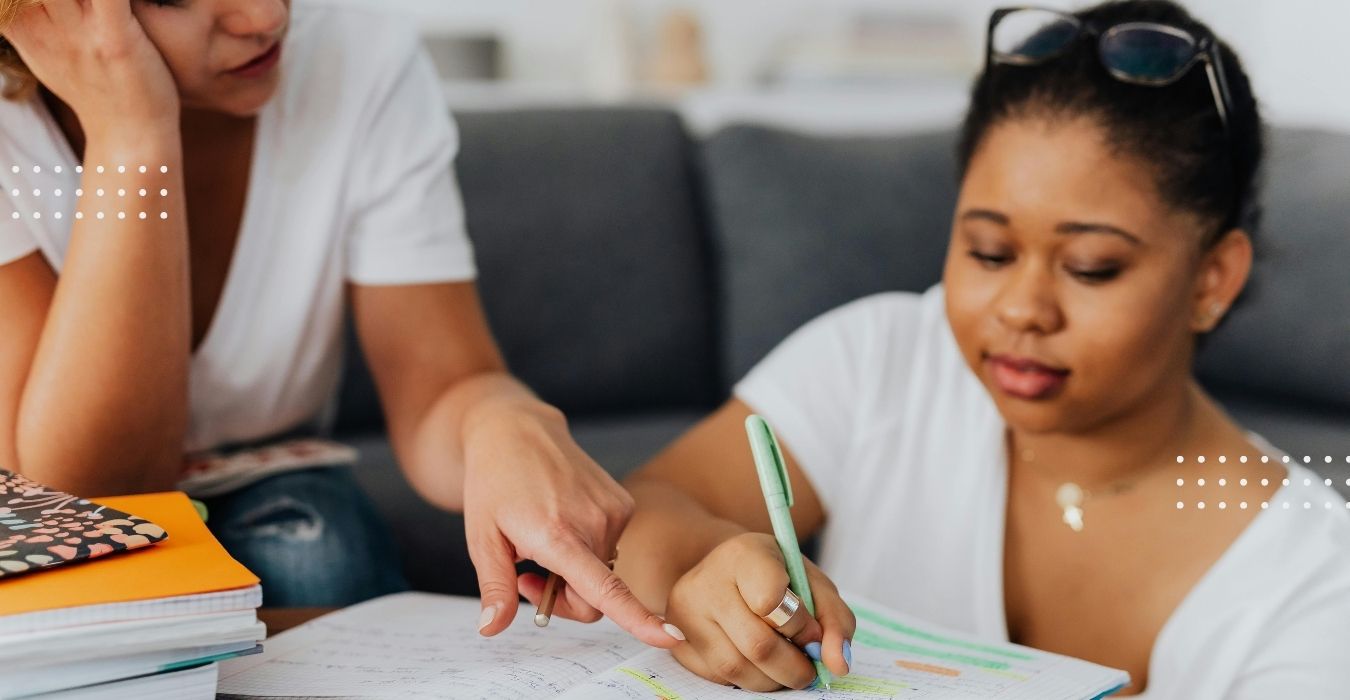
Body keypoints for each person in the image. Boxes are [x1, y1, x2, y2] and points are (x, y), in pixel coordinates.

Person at [598, 1, 1350, 696]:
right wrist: (714, 569)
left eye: (1091, 267)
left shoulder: (1313, 580)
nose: (1022, 309)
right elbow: (650, 514)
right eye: (990, 252)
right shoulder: (887, 361)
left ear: (1212, 280)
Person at [0, 0, 681, 647]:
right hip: (49, 506)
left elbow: (444, 386)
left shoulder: (358, 55)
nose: (265, 17)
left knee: (321, 551)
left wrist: (498, 423)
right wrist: (134, 134)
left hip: (266, 472)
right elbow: (88, 490)